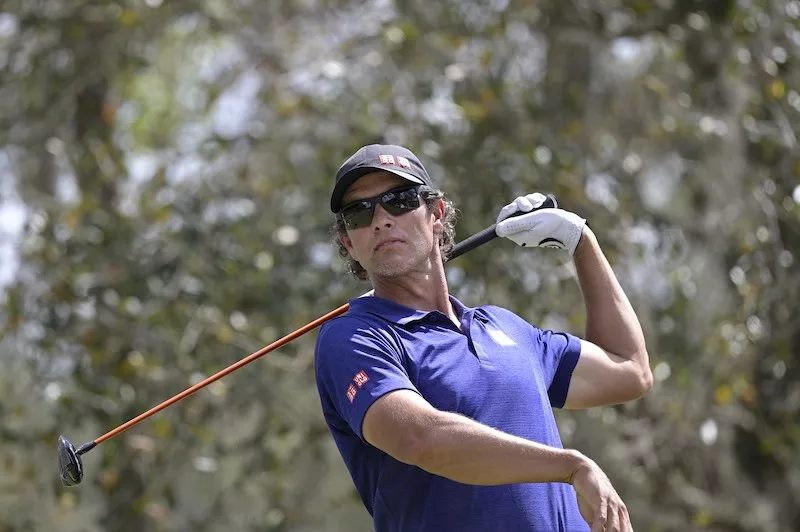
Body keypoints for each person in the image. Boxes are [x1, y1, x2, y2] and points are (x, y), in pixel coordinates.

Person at [314, 144, 653, 532]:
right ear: (348, 244)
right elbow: (417, 437)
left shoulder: (504, 328)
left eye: (400, 201)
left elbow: (630, 370)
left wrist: (580, 239)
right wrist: (571, 467)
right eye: (360, 213)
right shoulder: (354, 337)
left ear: (436, 215)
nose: (381, 220)